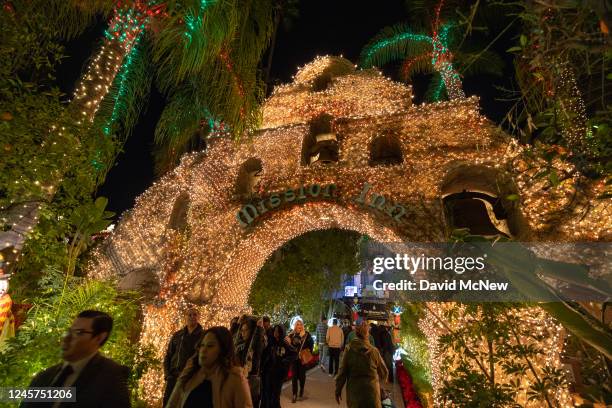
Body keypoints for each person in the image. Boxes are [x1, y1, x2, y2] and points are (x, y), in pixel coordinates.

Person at [20, 310, 130, 408]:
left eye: (78, 332)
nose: (67, 338)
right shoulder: (44, 376)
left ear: (99, 338)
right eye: (69, 331)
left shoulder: (111, 377)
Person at [165, 326, 252, 408]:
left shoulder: (234, 378)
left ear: (222, 350)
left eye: (210, 346)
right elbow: (173, 402)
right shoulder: (191, 374)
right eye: (202, 345)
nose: (204, 350)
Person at [335, 321, 388, 408]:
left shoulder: (349, 349)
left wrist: (338, 390)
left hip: (354, 394)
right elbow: (384, 372)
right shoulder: (374, 351)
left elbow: (342, 372)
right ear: (368, 333)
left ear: (356, 333)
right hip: (372, 394)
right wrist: (380, 385)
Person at [163, 308, 205, 406]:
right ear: (185, 317)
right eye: (189, 315)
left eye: (194, 314)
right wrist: (167, 374)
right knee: (168, 403)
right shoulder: (178, 335)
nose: (192, 317)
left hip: (191, 378)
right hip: (173, 376)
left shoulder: (203, 336)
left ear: (199, 317)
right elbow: (169, 355)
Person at [261, 324, 296, 408]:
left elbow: (294, 353)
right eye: (275, 331)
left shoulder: (284, 343)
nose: (276, 333)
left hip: (279, 373)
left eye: (278, 331)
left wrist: (284, 361)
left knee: (275, 396)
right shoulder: (271, 342)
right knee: (268, 394)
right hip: (269, 372)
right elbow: (265, 354)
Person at [235, 316, 265, 407]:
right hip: (239, 381)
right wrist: (237, 324)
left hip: (251, 382)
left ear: (252, 331)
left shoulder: (257, 344)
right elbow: (234, 337)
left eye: (245, 330)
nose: (242, 333)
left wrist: (258, 328)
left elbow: (257, 341)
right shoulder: (240, 345)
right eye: (241, 330)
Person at [287, 319, 313, 403]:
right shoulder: (292, 334)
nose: (299, 326)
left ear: (302, 326)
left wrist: (308, 351)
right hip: (294, 359)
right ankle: (294, 394)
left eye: (300, 324)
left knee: (302, 376)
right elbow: (288, 345)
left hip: (302, 359)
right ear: (295, 325)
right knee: (294, 377)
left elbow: (311, 344)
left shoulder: (306, 334)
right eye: (297, 324)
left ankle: (301, 388)